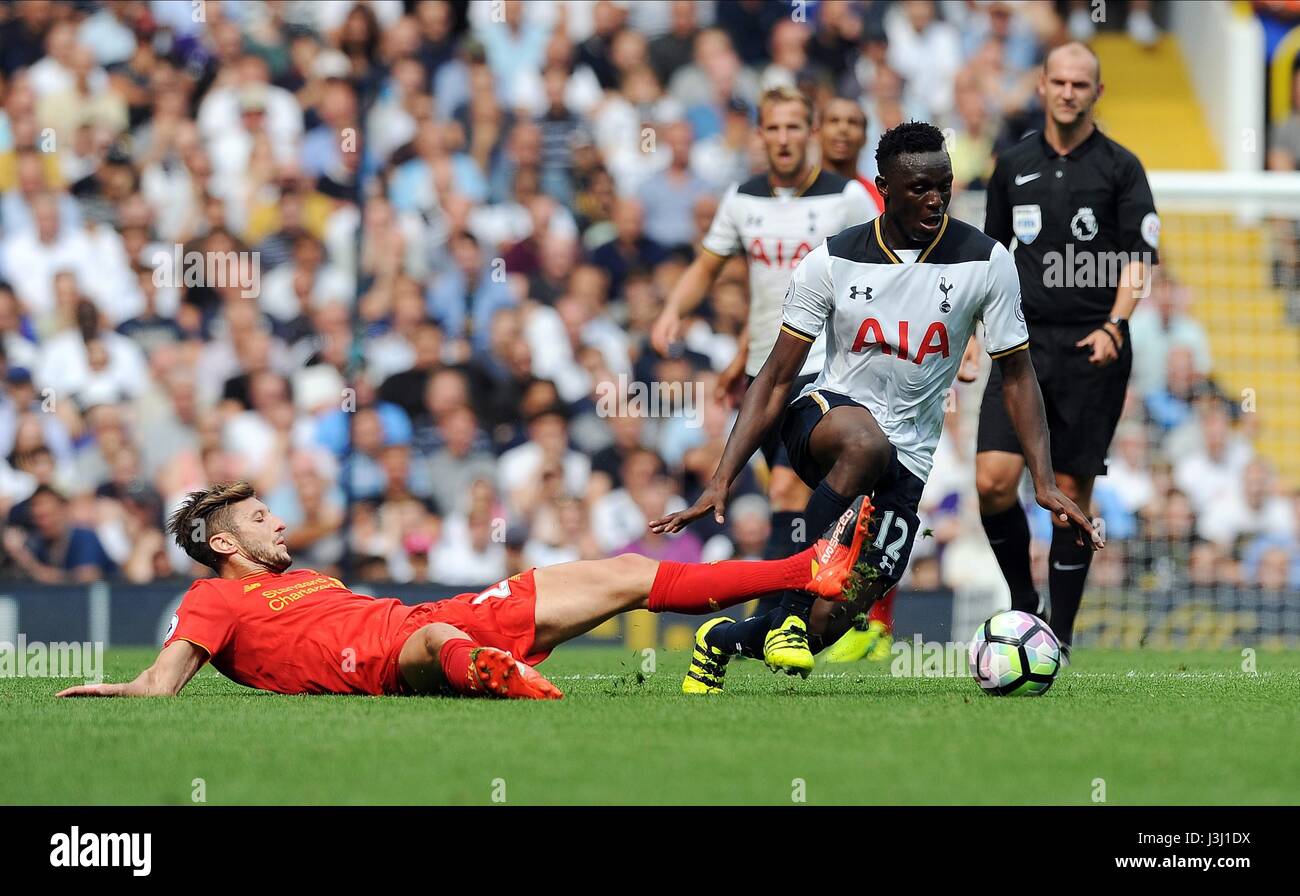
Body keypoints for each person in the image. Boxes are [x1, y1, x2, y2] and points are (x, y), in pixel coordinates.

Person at [652, 121, 1100, 693]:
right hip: (826, 418)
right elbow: (775, 376)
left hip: (909, 456)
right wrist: (722, 479)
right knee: (865, 443)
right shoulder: (832, 261)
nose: (935, 198)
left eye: (944, 185)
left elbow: (1017, 374)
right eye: (919, 188)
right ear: (884, 188)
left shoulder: (986, 261)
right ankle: (788, 609)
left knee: (830, 622)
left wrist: (1041, 479)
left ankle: (724, 640)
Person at [55, 480, 873, 701]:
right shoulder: (214, 600)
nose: (280, 524)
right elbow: (162, 685)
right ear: (224, 543)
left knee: (624, 573)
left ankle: (809, 572)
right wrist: (122, 688)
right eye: (262, 518)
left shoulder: (303, 576)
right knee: (438, 648)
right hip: (377, 659)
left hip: (430, 615)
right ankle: (492, 674)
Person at [649, 86, 877, 676]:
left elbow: (893, 267)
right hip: (765, 371)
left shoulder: (847, 199)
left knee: (798, 494)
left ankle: (786, 618)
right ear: (760, 135)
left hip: (828, 368)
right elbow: (708, 265)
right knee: (792, 497)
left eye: (793, 128)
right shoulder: (742, 199)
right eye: (771, 128)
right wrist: (674, 309)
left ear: (812, 132)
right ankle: (785, 618)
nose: (782, 139)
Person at [965, 42, 1158, 660]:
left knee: (1070, 492)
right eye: (1060, 81)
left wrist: (1115, 326)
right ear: (1042, 86)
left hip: (1090, 349)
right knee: (993, 482)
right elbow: (987, 259)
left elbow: (1138, 260)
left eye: (1081, 83)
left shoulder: (1122, 168)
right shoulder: (1010, 163)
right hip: (1017, 348)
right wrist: (972, 334)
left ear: (1097, 92)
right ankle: (1026, 606)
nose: (1069, 92)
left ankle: (1061, 637)